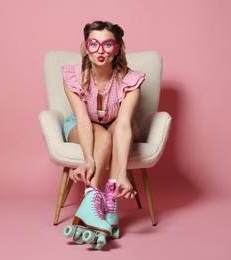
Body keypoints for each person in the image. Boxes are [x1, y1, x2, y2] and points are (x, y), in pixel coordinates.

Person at [61, 20, 145, 247]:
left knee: (116, 130)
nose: (100, 51)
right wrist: (88, 159)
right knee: (102, 134)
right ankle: (93, 203)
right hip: (84, 125)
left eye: (107, 45)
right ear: (86, 47)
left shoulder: (131, 80)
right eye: (94, 44)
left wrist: (123, 174)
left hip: (119, 124)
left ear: (117, 48)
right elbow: (82, 120)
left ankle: (109, 202)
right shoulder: (72, 77)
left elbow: (125, 124)